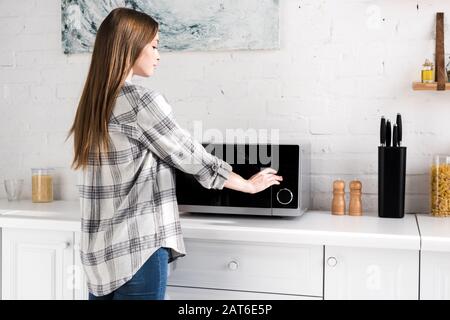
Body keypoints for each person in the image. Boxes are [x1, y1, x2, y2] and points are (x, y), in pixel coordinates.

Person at [67, 7, 283, 300]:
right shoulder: (141, 101)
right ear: (131, 46)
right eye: (154, 46)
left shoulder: (92, 106)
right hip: (138, 252)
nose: (158, 55)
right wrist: (247, 184)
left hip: (99, 259)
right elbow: (192, 156)